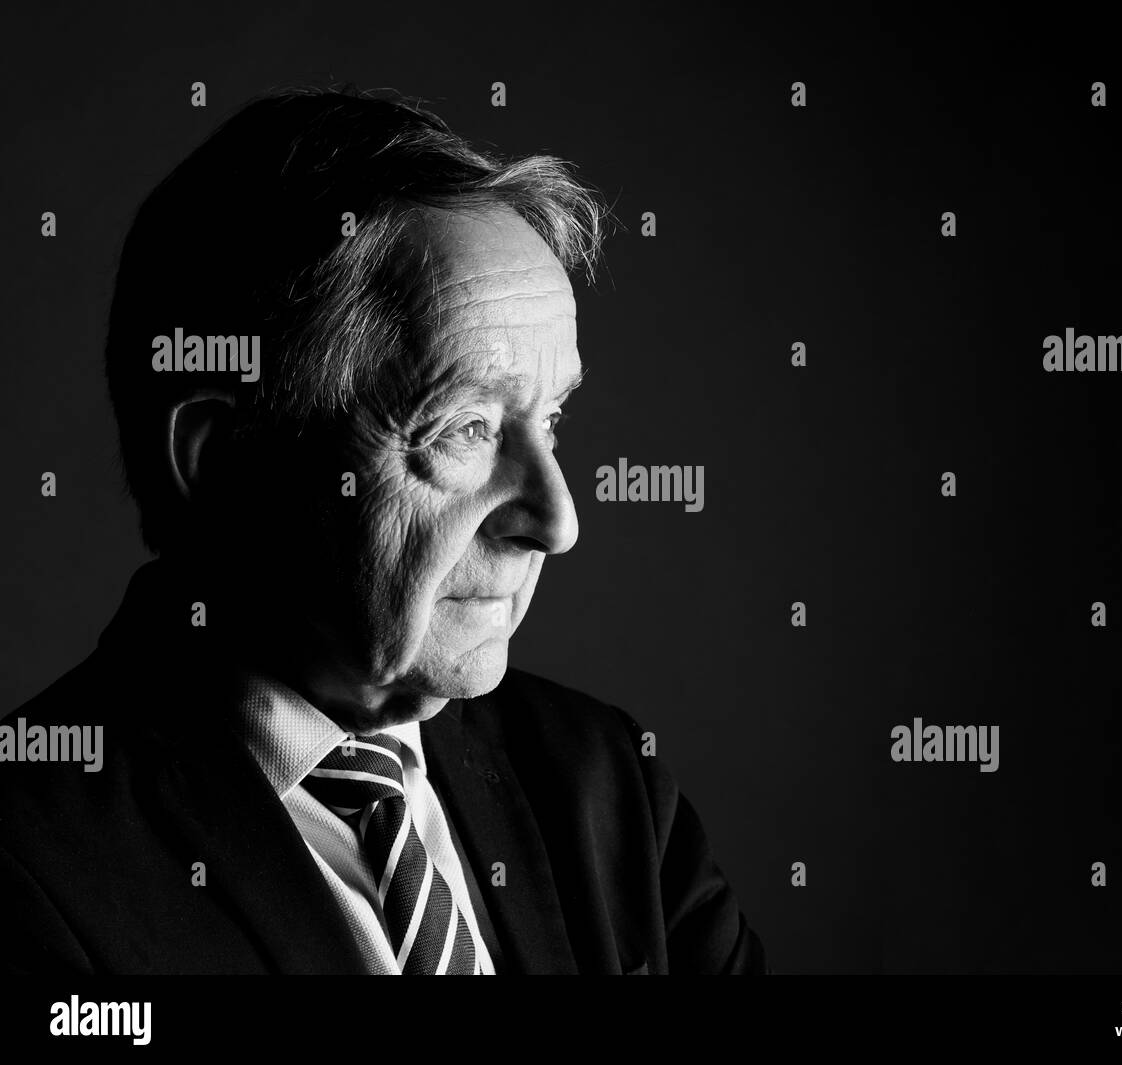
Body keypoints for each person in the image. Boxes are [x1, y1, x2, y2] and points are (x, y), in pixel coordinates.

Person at [0, 86, 767, 975]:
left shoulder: (609, 787)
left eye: (549, 420)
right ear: (222, 466)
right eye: (462, 428)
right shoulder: (29, 871)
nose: (557, 521)